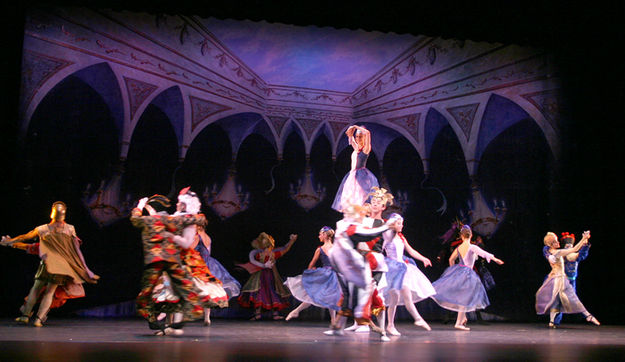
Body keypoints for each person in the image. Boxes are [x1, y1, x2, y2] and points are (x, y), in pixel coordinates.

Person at [1, 201, 99, 327]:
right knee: (49, 292)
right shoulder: (70, 229)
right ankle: (38, 319)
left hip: (46, 265)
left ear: (52, 213)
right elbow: (77, 250)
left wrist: (9, 241)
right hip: (61, 267)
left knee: (36, 289)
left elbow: (25, 238)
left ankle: (25, 315)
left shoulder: (42, 229)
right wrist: (86, 268)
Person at [152, 188, 229, 331]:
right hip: (192, 261)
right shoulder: (180, 219)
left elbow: (188, 246)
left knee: (177, 287)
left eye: (179, 202)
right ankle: (172, 320)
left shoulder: (190, 226)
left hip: (189, 262)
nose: (176, 204)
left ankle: (168, 319)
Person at [131, 194, 207, 335]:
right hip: (172, 260)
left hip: (155, 262)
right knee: (185, 285)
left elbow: (135, 219)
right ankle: (193, 312)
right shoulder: (174, 219)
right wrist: (198, 216)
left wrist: (140, 206)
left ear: (152, 209)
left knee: (147, 292)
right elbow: (197, 218)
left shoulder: (147, 220)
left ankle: (152, 319)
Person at [325, 204, 400, 341]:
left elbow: (377, 236)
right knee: (349, 297)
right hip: (351, 265)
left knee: (375, 296)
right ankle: (339, 327)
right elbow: (365, 234)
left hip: (368, 264)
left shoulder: (356, 226)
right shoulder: (348, 226)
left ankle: (381, 330)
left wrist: (390, 226)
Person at [431, 225, 504, 331]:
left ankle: (462, 318)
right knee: (464, 298)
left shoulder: (459, 248)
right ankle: (458, 323)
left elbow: (451, 260)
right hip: (468, 274)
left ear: (461, 236)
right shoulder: (472, 247)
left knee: (463, 297)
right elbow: (484, 254)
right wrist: (496, 259)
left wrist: (453, 271)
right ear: (471, 235)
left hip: (459, 271)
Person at [382, 213, 436, 336]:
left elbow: (411, 251)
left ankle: (400, 323)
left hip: (402, 268)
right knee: (395, 297)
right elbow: (380, 250)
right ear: (392, 225)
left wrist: (423, 259)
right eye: (399, 223)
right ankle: (412, 320)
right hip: (393, 269)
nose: (402, 225)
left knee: (402, 297)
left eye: (402, 223)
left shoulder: (401, 237)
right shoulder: (387, 237)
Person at [536, 231, 599, 328]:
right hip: (560, 278)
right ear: (552, 244)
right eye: (556, 241)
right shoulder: (559, 252)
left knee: (557, 300)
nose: (558, 243)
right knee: (570, 298)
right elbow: (574, 250)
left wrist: (585, 242)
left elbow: (546, 248)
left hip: (558, 278)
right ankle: (587, 315)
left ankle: (552, 322)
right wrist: (583, 238)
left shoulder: (552, 252)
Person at [285, 226, 341, 324]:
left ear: (324, 235)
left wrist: (310, 273)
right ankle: (296, 311)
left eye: (320, 234)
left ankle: (296, 311)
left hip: (328, 275)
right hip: (329, 275)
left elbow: (311, 264)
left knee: (327, 297)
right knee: (319, 296)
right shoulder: (335, 248)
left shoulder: (321, 249)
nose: (318, 236)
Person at [237, 232, 297, 320]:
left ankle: (263, 314)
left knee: (266, 292)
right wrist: (292, 241)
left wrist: (291, 241)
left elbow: (284, 248)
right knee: (265, 292)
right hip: (264, 275)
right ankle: (268, 314)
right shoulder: (264, 253)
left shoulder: (266, 254)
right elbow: (285, 249)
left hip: (266, 275)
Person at [192, 224, 240, 325]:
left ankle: (176, 317)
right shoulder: (206, 237)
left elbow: (189, 250)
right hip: (207, 264)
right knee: (208, 290)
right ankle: (206, 317)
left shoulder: (195, 237)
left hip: (198, 264)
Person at [331, 125, 379, 212]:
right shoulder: (356, 148)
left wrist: (356, 126)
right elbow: (349, 136)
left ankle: (360, 212)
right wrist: (351, 131)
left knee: (360, 195)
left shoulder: (366, 149)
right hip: (352, 175)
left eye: (360, 136)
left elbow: (368, 133)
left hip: (362, 175)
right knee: (350, 197)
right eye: (357, 136)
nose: (358, 138)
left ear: (364, 137)